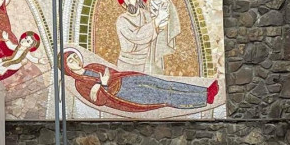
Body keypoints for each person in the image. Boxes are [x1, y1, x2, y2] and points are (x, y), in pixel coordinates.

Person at [63, 48, 219, 114]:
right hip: (122, 94)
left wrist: (103, 82)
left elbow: (109, 71)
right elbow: (99, 101)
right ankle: (204, 99)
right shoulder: (80, 85)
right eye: (70, 60)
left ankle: (205, 91)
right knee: (165, 96)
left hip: (127, 79)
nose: (75, 60)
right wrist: (103, 83)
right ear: (67, 68)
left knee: (166, 85)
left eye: (75, 56)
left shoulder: (92, 66)